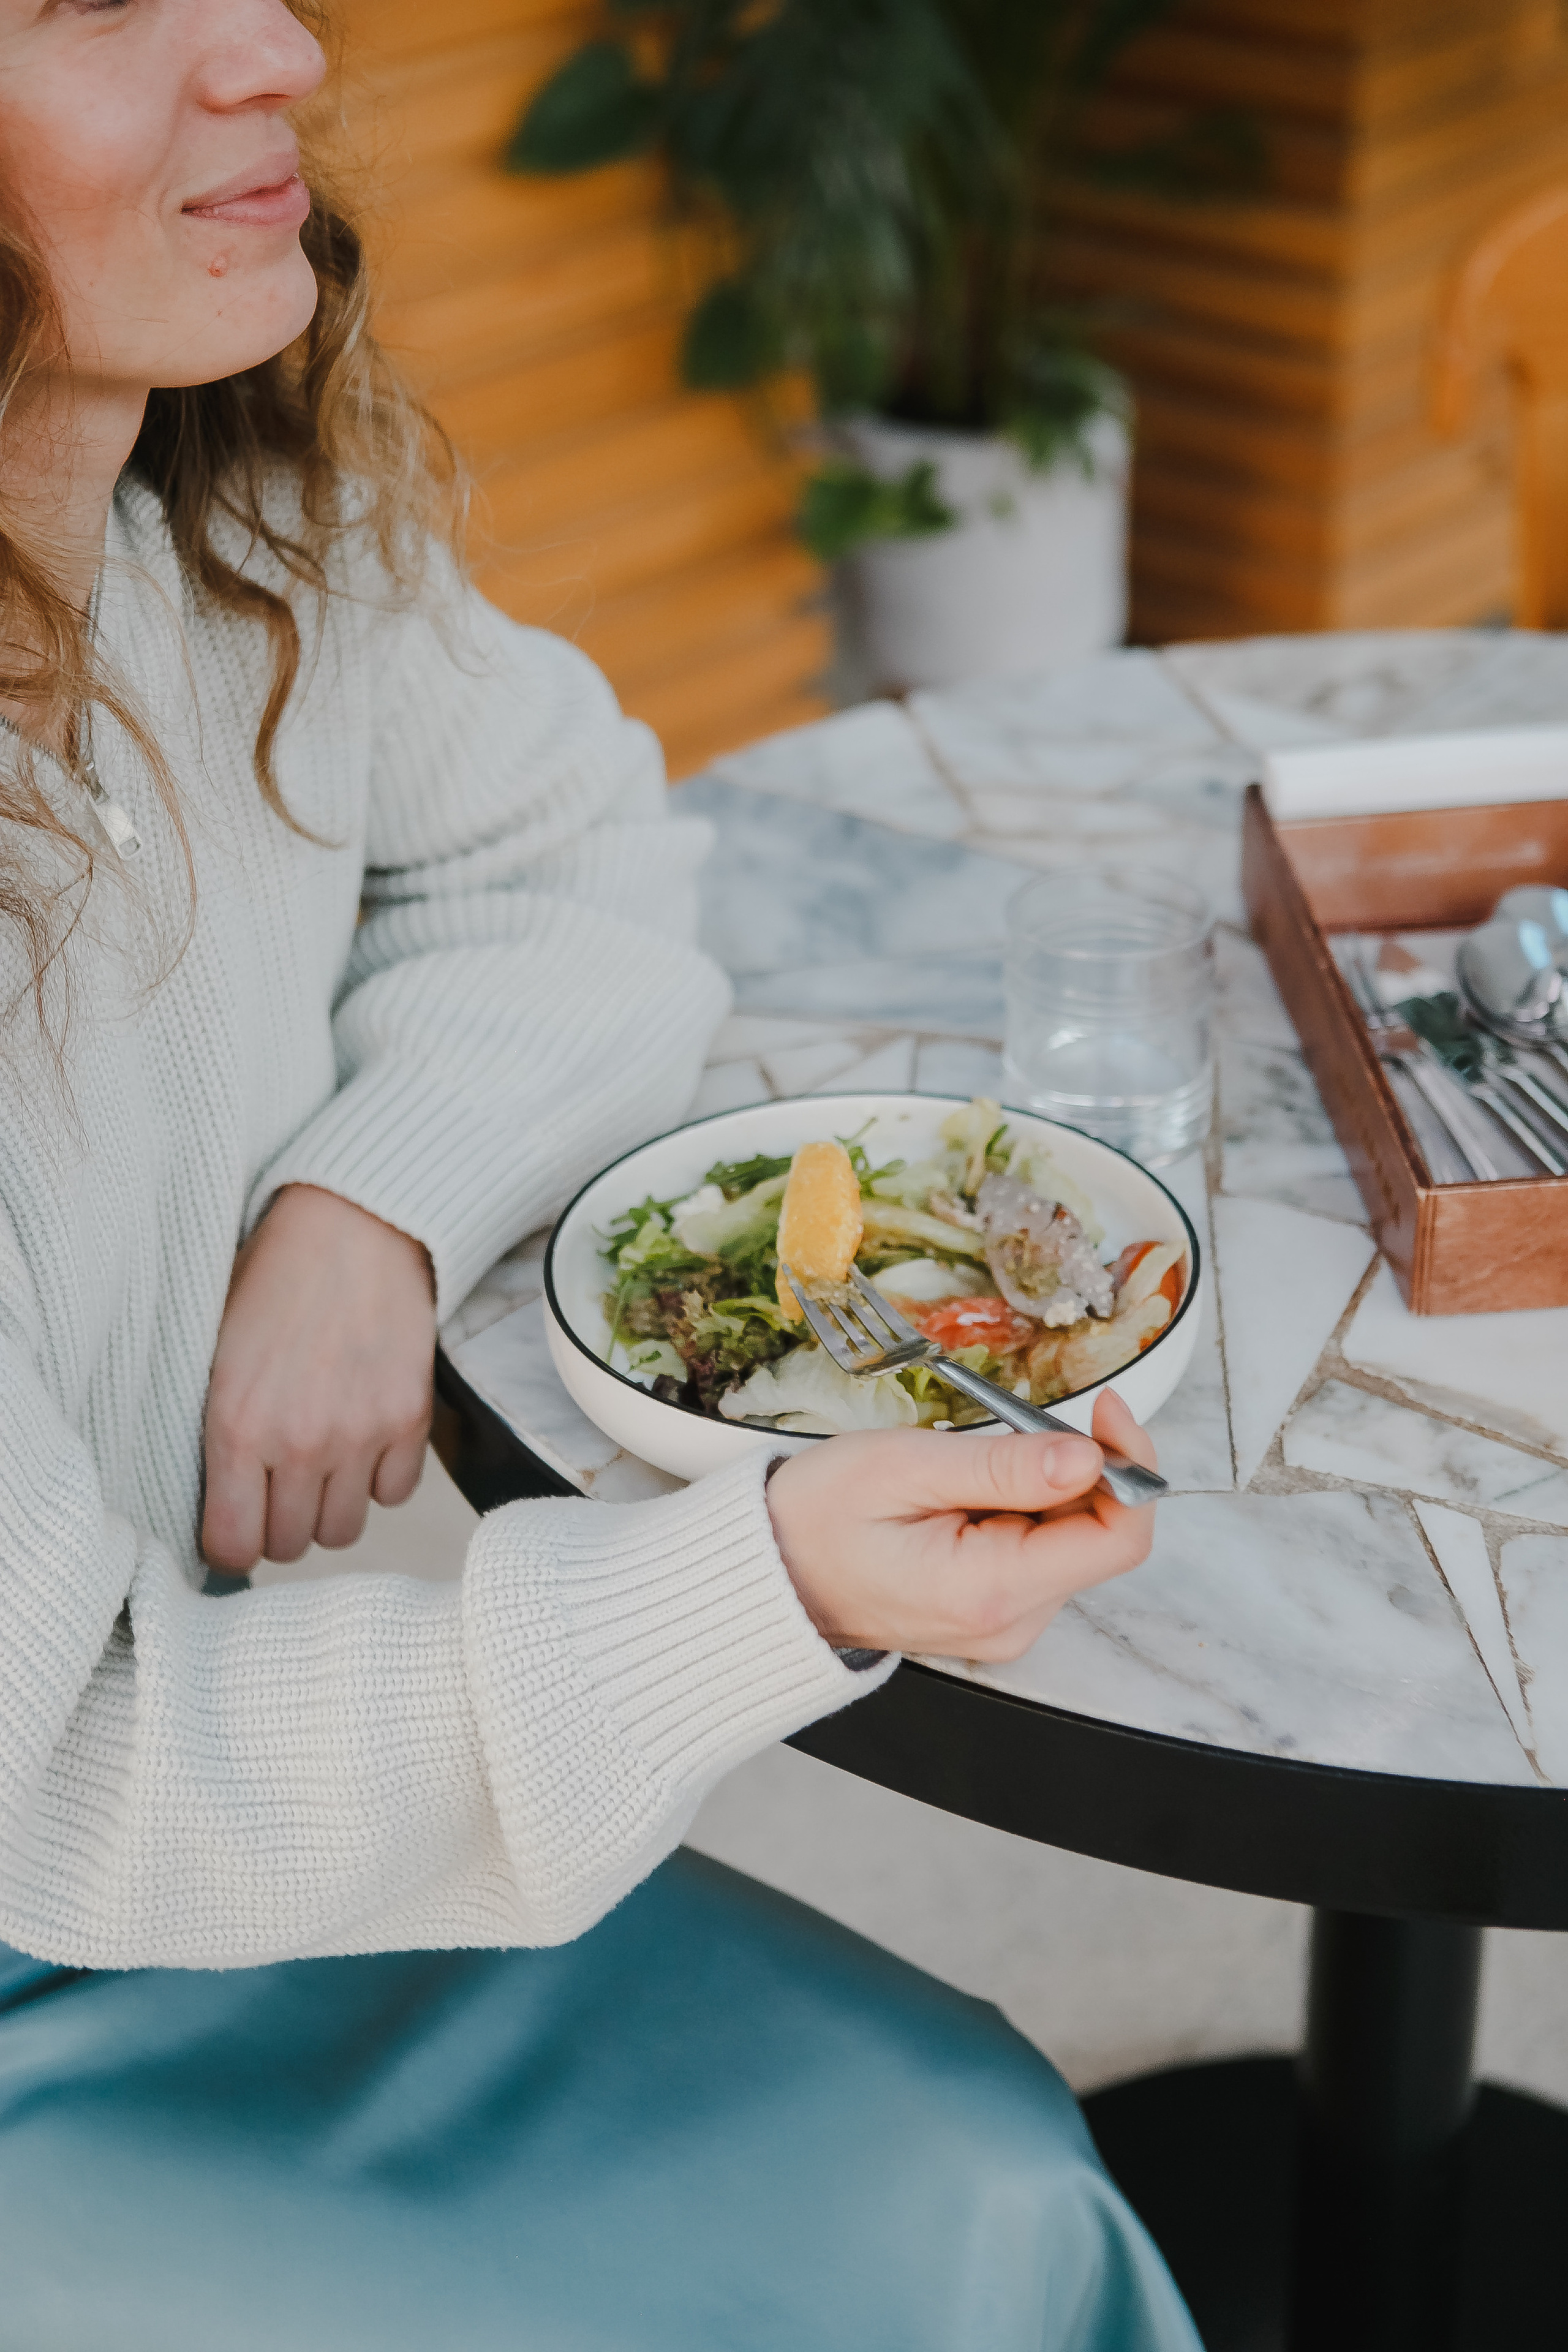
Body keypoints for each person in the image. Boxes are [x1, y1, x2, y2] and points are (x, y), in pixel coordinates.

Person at [0, 4, 1202, 2346]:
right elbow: (76, 1770)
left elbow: (570, 851)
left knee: (991, 2166)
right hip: (83, 1867)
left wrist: (370, 1199)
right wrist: (758, 1580)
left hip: (225, 1826)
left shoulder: (221, 519)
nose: (281, 46)